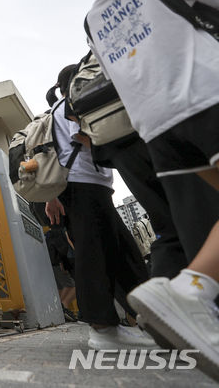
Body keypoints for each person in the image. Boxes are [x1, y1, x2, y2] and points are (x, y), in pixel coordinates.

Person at [79, 0, 219, 378]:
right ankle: (192, 292)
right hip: (205, 95)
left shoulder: (93, 18)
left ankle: (195, 299)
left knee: (204, 216)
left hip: (156, 124)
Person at [44, 67, 153, 349]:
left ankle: (149, 318)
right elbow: (83, 137)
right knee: (96, 253)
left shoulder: (60, 106)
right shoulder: (72, 103)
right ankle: (103, 329)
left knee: (120, 252)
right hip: (84, 184)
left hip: (87, 186)